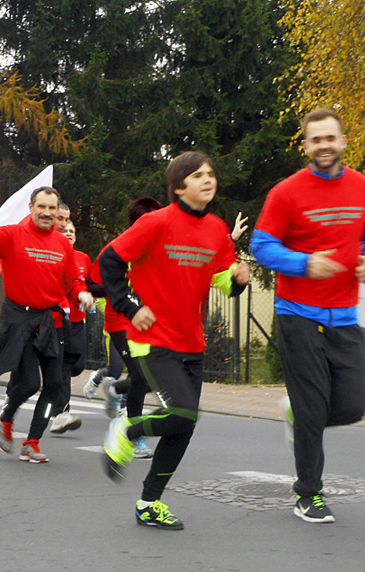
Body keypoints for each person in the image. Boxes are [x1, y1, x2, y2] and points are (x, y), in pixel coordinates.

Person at [249, 108, 365, 524]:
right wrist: (305, 264)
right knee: (313, 409)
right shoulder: (286, 192)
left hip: (344, 315)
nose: (324, 145)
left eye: (331, 138)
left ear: (343, 141)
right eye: (316, 139)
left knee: (352, 406)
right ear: (305, 145)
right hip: (298, 314)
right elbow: (261, 246)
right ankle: (308, 493)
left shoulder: (364, 188)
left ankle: (297, 412)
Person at [99, 152, 249, 530]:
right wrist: (130, 307)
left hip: (191, 342)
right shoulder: (156, 222)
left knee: (183, 426)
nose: (208, 180)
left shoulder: (216, 229)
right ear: (178, 186)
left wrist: (238, 280)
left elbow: (220, 278)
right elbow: (109, 261)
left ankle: (149, 504)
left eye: (211, 174)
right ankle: (127, 429)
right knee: (183, 412)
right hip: (152, 339)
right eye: (198, 175)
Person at [0, 183, 92, 463]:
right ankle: (6, 418)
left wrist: (82, 293)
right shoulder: (12, 234)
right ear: (31, 208)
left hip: (51, 321)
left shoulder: (63, 244)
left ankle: (32, 441)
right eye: (42, 207)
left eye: (52, 208)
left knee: (54, 386)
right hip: (18, 320)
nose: (47, 213)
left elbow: (73, 280)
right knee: (27, 383)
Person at [84, 197, 164, 459]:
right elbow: (91, 285)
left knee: (153, 377)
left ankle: (116, 389)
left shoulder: (160, 251)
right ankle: (135, 436)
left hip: (150, 323)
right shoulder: (117, 249)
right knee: (141, 377)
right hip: (120, 322)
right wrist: (119, 289)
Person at [49, 220, 90, 434]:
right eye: (65, 231)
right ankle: (60, 413)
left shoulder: (83, 258)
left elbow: (89, 284)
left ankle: (55, 395)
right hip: (59, 320)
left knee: (77, 365)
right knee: (63, 368)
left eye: (73, 231)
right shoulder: (55, 256)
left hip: (78, 321)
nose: (69, 234)